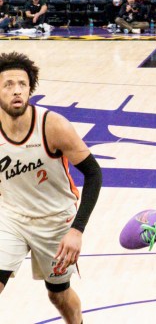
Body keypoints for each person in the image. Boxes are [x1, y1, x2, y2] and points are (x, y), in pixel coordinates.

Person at [0, 51, 102, 323]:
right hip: (11, 218)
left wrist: (77, 230)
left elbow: (94, 174)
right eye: (8, 84)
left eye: (22, 84)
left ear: (30, 89)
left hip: (56, 221)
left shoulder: (52, 125)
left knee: (58, 294)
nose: (16, 90)